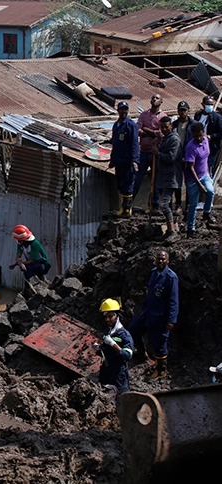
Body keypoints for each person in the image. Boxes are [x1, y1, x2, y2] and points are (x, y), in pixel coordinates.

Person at [128, 250, 179, 379]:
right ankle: (141, 353)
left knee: (159, 343)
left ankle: (160, 371)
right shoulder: (153, 273)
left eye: (163, 259)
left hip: (160, 317)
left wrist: (171, 319)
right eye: (158, 259)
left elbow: (174, 300)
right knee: (133, 329)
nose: (161, 261)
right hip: (147, 312)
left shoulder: (170, 278)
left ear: (167, 261)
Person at [133, 93, 166, 210]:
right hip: (143, 151)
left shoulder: (163, 117)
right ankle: (129, 202)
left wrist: (148, 131)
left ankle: (154, 205)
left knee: (155, 179)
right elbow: (137, 129)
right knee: (137, 178)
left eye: (157, 98)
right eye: (153, 98)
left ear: (161, 101)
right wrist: (151, 132)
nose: (154, 99)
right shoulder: (144, 115)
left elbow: (162, 134)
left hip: (155, 153)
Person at [95, 299, 134, 395]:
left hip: (118, 372)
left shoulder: (124, 335)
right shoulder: (107, 331)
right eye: (105, 317)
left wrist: (113, 344)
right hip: (107, 369)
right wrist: (98, 349)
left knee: (122, 397)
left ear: (117, 316)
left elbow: (127, 356)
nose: (107, 319)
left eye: (110, 316)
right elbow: (106, 351)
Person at [184, 122, 216, 237]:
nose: (198, 138)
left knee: (211, 191)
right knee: (193, 204)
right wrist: (199, 185)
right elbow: (191, 167)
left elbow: (206, 158)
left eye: (200, 135)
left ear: (203, 133)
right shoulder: (190, 147)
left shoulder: (206, 140)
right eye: (196, 136)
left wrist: (207, 172)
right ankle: (190, 228)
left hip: (204, 174)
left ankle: (207, 212)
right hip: (193, 179)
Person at [152, 116, 182, 234]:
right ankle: (171, 228)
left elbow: (171, 157)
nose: (164, 129)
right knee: (166, 205)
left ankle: (172, 230)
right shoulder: (166, 138)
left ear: (171, 126)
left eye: (166, 127)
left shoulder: (175, 140)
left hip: (171, 176)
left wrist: (157, 153)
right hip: (164, 176)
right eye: (162, 127)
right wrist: (157, 145)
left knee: (164, 204)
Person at [109, 101, 140, 217]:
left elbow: (134, 144)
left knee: (128, 185)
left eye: (125, 109)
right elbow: (115, 144)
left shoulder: (131, 125)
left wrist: (135, 160)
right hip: (119, 161)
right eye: (121, 109)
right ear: (118, 110)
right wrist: (112, 160)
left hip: (128, 161)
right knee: (121, 184)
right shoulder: (116, 125)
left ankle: (127, 210)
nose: (123, 111)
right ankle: (123, 208)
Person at [171, 101, 192, 213]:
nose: (182, 112)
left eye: (184, 110)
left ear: (188, 111)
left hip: (189, 156)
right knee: (177, 182)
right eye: (181, 110)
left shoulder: (193, 124)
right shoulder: (174, 125)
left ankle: (188, 204)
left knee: (189, 181)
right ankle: (178, 204)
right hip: (177, 156)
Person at [192, 95, 222, 171]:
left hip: (211, 147)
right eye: (208, 104)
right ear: (203, 104)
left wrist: (211, 136)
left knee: (207, 168)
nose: (210, 106)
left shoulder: (217, 117)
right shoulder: (198, 115)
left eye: (212, 104)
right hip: (197, 145)